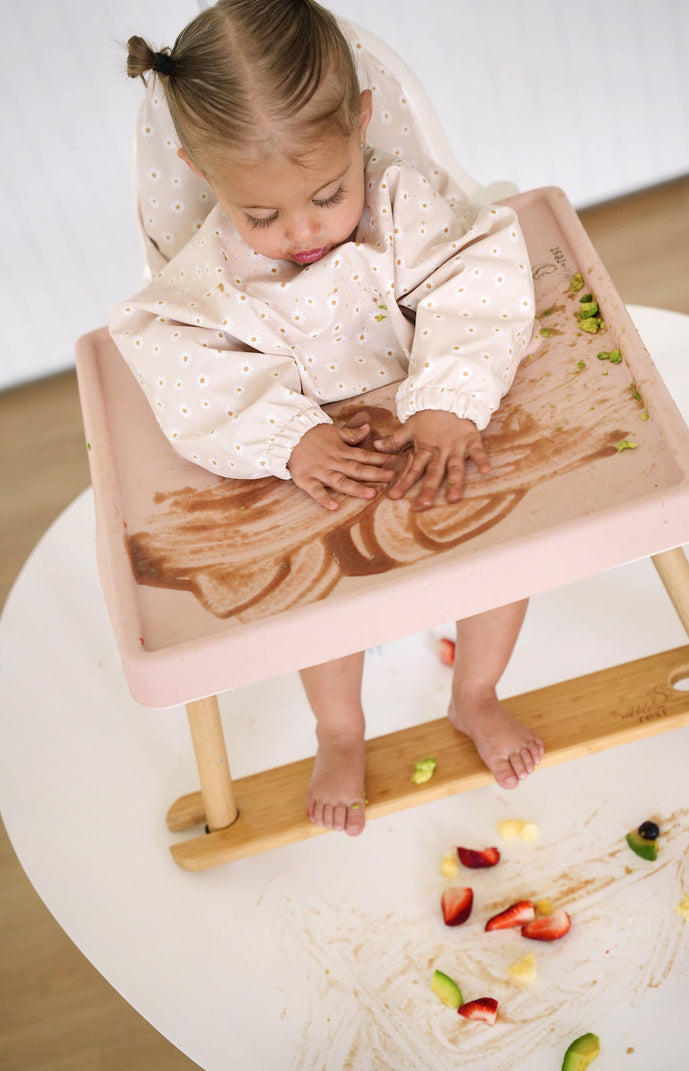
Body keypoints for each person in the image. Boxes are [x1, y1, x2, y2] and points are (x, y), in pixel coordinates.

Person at [112, 0, 544, 837]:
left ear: (364, 124)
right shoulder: (210, 274)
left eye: (325, 194)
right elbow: (182, 371)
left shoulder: (402, 202)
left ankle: (476, 692)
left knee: (504, 549)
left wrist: (449, 399)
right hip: (315, 460)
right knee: (317, 596)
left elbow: (481, 280)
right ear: (201, 171)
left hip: (429, 426)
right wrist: (286, 435)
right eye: (261, 215)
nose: (301, 231)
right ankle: (340, 730)